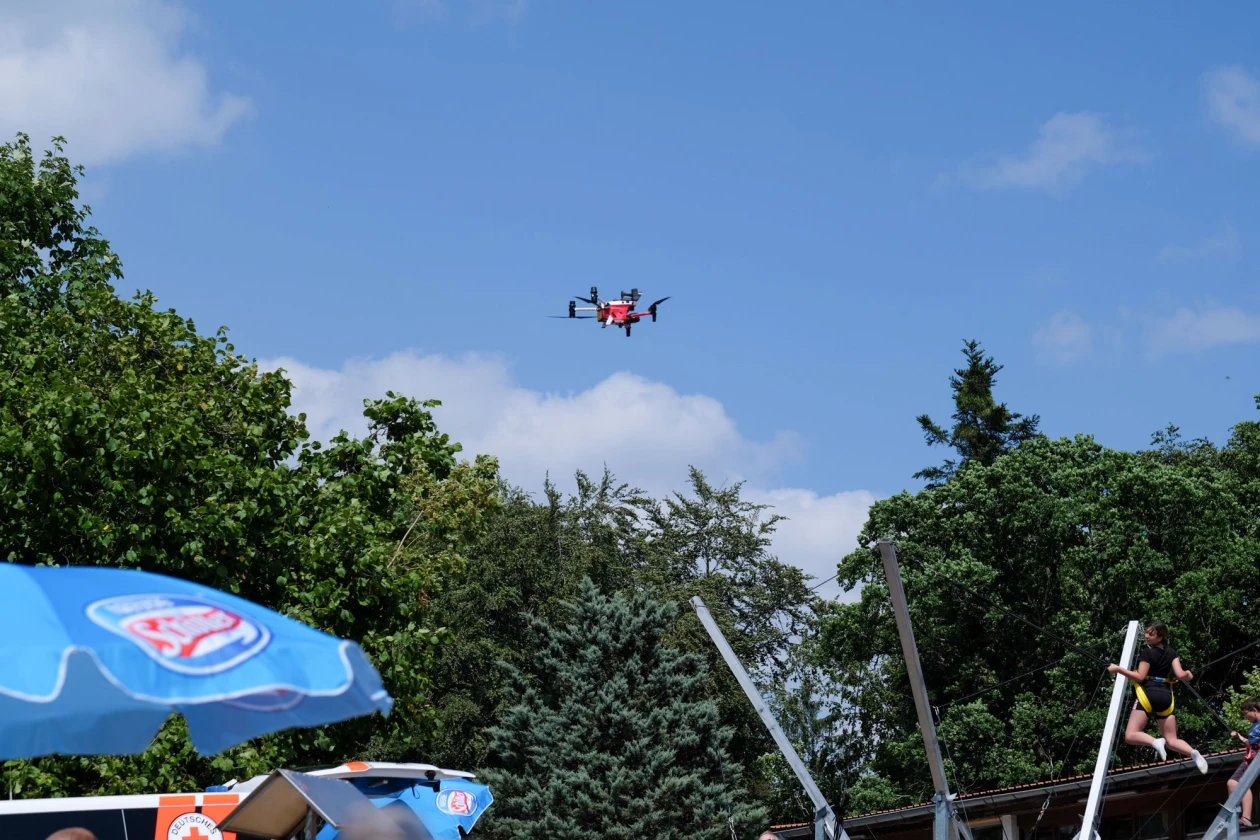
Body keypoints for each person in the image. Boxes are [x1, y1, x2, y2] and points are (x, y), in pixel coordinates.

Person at [1106, 621, 1208, 773]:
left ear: (1160, 637)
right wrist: (1188, 674)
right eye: (1146, 632)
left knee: (1131, 735)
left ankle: (1155, 742)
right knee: (1172, 740)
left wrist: (1118, 669)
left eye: (1151, 634)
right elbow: (1181, 675)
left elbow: (1140, 677)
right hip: (1166, 696)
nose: (1146, 636)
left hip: (1148, 694)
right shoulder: (1172, 653)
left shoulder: (1147, 653)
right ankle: (1193, 753)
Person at [1227, 696, 1260, 828]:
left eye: (1246, 714)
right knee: (1232, 783)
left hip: (1256, 759)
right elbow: (1250, 742)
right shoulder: (1254, 727)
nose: (1246, 717)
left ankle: (1246, 817)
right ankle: (1233, 814)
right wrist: (1238, 736)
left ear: (1254, 710)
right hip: (1249, 758)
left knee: (1243, 784)